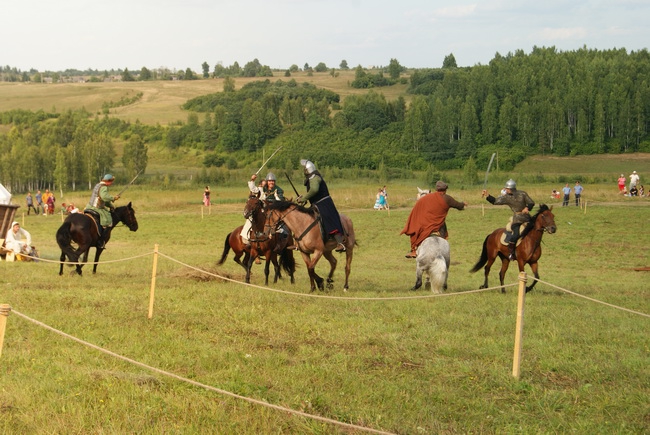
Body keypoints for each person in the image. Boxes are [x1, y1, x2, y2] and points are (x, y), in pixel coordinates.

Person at [401, 180, 467, 258]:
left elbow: (418, 207)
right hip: (438, 225)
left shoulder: (427, 197)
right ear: (445, 189)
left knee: (417, 230)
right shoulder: (447, 198)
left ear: (436, 189)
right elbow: (458, 206)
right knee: (442, 226)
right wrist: (463, 204)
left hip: (425, 225)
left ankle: (414, 250)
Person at [296, 159, 347, 252]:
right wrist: (303, 198)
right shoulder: (312, 178)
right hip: (316, 204)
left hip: (324, 204)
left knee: (328, 219)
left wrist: (304, 198)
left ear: (307, 170)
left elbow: (314, 190)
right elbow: (312, 193)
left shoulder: (315, 177)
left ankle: (340, 242)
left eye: (304, 169)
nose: (304, 171)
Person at [482, 179, 535, 261]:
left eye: (506, 188)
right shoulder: (506, 197)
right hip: (517, 219)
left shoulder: (523, 194)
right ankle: (511, 253)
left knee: (536, 230)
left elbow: (531, 202)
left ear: (510, 189)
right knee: (516, 234)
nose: (505, 190)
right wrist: (487, 195)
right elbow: (495, 201)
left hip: (527, 218)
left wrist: (527, 208)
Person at [84, 174, 120, 248]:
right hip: (97, 208)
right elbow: (104, 197)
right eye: (111, 181)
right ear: (108, 181)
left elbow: (103, 199)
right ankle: (101, 241)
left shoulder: (98, 185)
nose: (112, 183)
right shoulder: (104, 187)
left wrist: (111, 206)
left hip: (89, 206)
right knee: (109, 222)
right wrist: (113, 198)